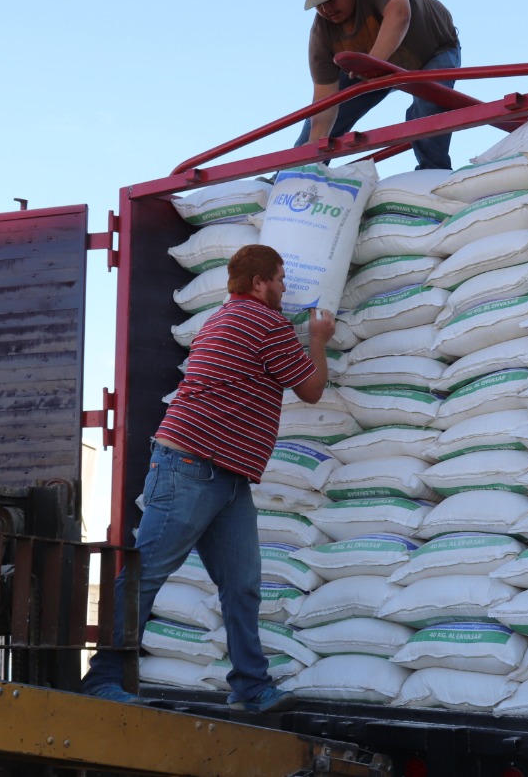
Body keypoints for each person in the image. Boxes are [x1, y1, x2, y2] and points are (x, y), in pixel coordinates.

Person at [80, 244, 334, 712]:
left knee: (242, 585)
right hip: (191, 467)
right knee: (146, 574)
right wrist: (318, 337)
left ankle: (251, 687)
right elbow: (312, 389)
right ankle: (103, 679)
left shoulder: (220, 318)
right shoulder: (264, 322)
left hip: (227, 476)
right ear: (258, 283)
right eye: (279, 279)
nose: (284, 288)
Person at [295, 0, 462, 170]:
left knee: (430, 102)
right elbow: (324, 99)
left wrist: (372, 64)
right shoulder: (322, 35)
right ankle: (292, 178)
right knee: (314, 132)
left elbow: (399, 14)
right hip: (369, 66)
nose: (326, 9)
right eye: (319, 5)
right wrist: (313, 148)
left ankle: (433, 172)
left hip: (431, 50)